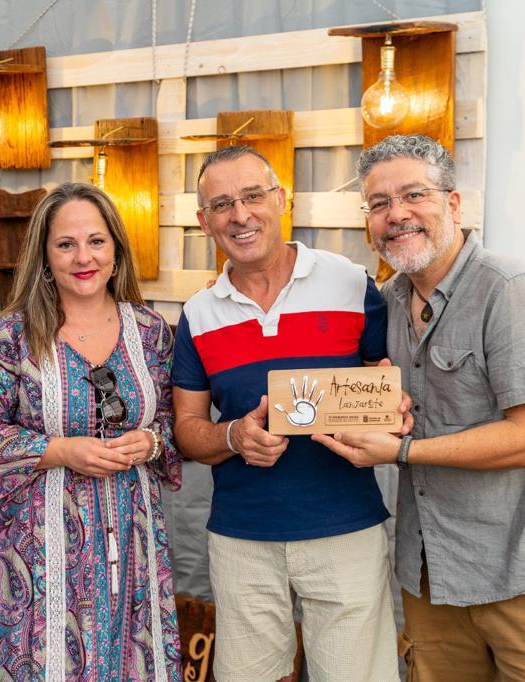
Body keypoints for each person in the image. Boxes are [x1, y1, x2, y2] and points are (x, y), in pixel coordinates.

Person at [314, 134, 525, 681]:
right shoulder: (389, 302)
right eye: (379, 203)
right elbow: (399, 403)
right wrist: (387, 409)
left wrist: (401, 448)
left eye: (414, 195)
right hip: (431, 578)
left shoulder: (511, 290)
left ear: (453, 203)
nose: (396, 215)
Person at [172, 145, 400, 682]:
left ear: (282, 199)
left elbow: (388, 392)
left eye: (253, 195)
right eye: (223, 204)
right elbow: (187, 431)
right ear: (205, 222)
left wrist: (390, 408)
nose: (241, 214)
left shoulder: (350, 283)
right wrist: (233, 437)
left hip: (346, 528)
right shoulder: (198, 315)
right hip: (242, 538)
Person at [0, 182, 183, 681]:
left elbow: (177, 422)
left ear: (116, 248)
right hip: (35, 550)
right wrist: (59, 450)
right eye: (66, 244)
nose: (84, 257)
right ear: (44, 254)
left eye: (96, 241)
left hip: (131, 540)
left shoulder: (150, 332)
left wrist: (151, 440)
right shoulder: (11, 335)